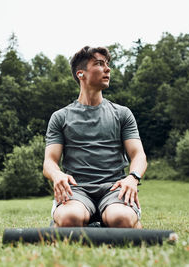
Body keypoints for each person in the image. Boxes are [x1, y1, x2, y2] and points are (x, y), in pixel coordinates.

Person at [43, 46, 147, 228]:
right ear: (81, 74)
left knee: (120, 219)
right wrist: (57, 174)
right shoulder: (60, 117)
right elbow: (49, 161)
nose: (107, 69)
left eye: (107, 64)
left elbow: (138, 155)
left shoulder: (122, 114)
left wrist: (133, 177)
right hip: (76, 190)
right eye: (99, 64)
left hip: (115, 189)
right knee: (70, 219)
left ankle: (109, 223)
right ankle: (78, 223)